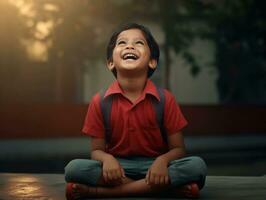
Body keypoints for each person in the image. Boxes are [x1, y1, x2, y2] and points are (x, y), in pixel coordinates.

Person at [64, 23, 207, 199]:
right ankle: (167, 190)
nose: (129, 46)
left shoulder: (165, 99)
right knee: (74, 169)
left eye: (139, 43)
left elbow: (178, 149)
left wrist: (162, 162)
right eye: (122, 43)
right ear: (110, 63)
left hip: (156, 166)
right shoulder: (100, 101)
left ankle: (99, 193)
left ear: (152, 61)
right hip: (118, 168)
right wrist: (108, 160)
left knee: (196, 166)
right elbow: (96, 151)